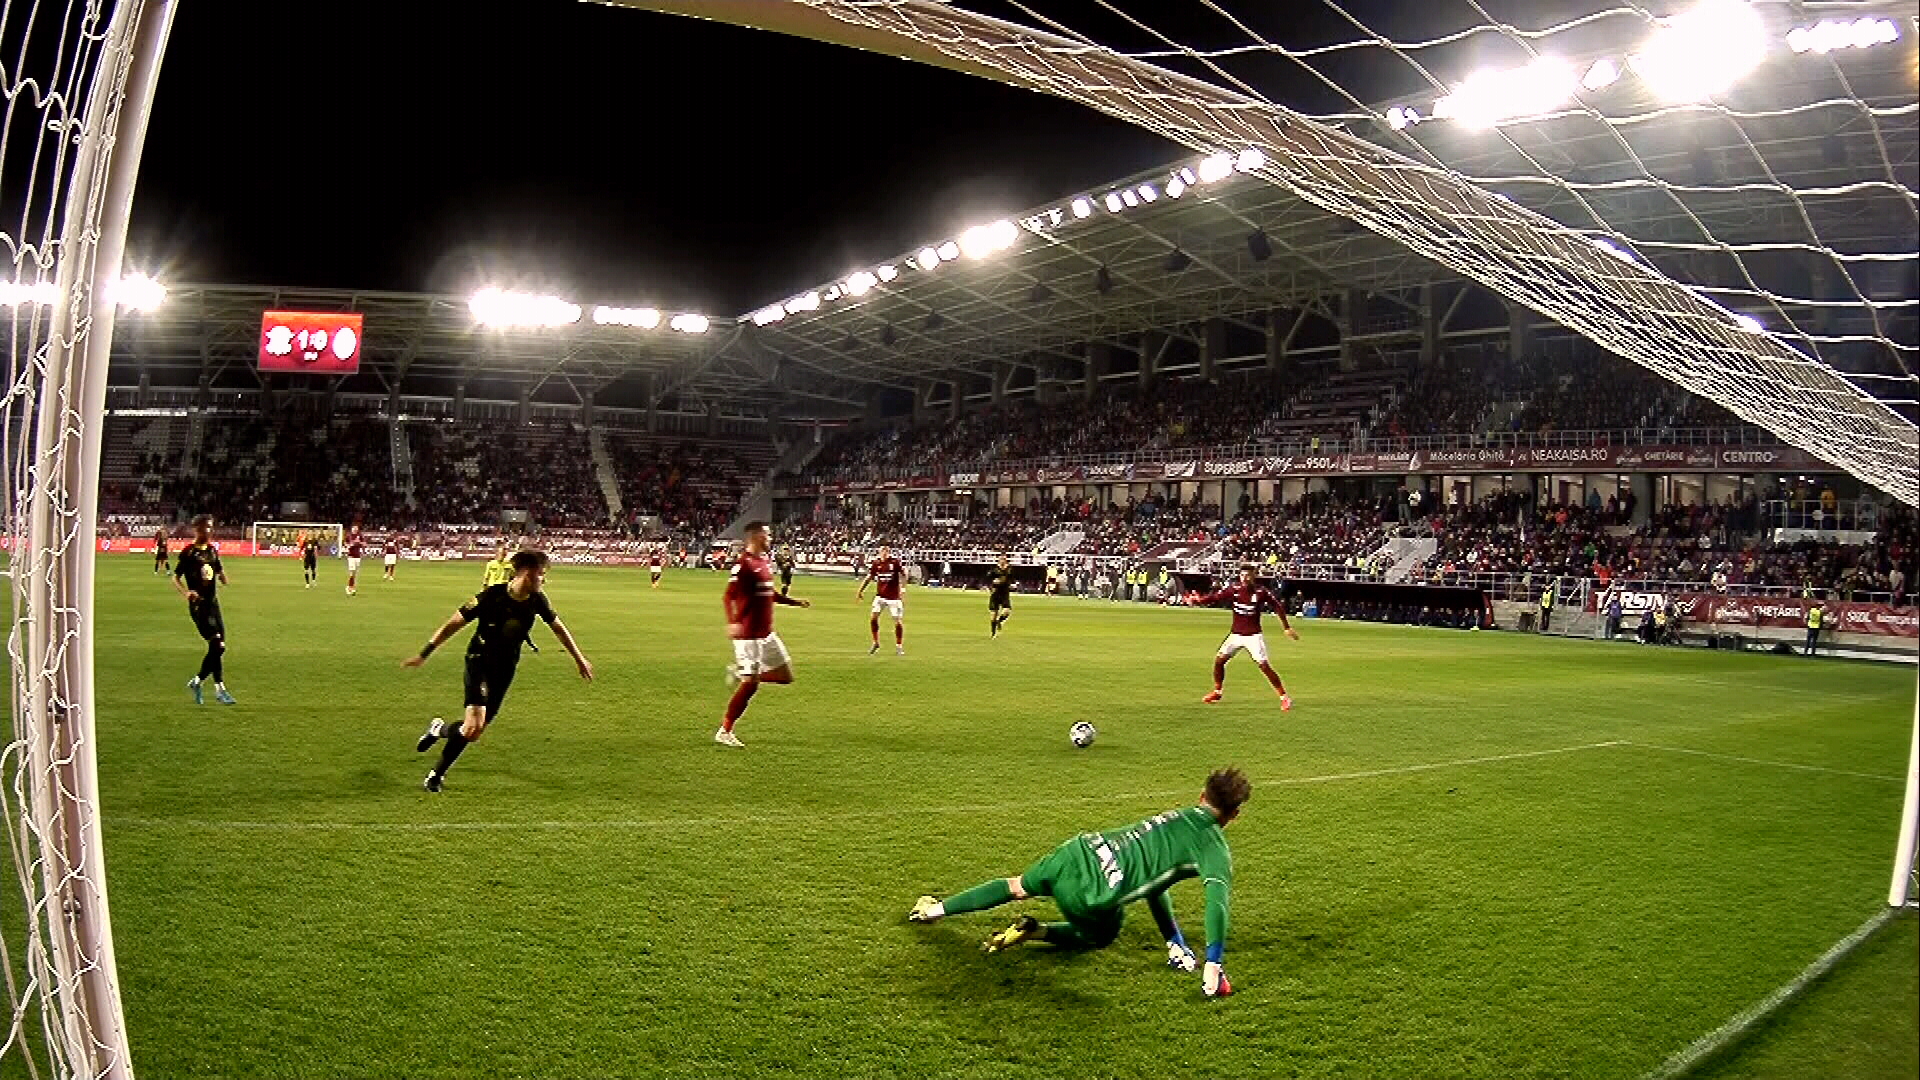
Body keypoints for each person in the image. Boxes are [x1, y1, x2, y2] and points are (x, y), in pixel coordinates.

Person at [908, 767, 1249, 999]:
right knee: (1102, 936)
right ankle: (1037, 931)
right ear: (1235, 815)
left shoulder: (1177, 815)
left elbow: (1156, 881)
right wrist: (1213, 963)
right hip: (1094, 894)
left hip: (1078, 850)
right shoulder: (1214, 850)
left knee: (1016, 886)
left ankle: (933, 911)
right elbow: (1216, 903)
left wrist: (1173, 939)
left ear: (1202, 795)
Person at [408, 550, 593, 792]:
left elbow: (559, 629)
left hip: (505, 670)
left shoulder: (538, 600)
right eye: (541, 574)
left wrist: (579, 660)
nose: (544, 580)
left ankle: (438, 729)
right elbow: (452, 624)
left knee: (472, 732)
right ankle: (436, 775)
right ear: (527, 573)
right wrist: (424, 653)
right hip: (479, 662)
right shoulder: (491, 597)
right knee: (474, 724)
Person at [718, 521, 811, 748]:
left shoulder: (765, 562)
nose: (771, 538)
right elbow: (728, 596)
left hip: (767, 634)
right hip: (748, 635)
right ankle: (725, 730)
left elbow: (770, 594)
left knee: (785, 676)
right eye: (768, 534)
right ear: (757, 536)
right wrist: (732, 623)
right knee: (751, 686)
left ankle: (744, 674)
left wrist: (794, 602)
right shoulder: (743, 565)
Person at [1188, 563, 1298, 709]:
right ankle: (1217, 691)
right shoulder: (1234, 589)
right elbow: (1215, 597)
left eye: (1248, 575)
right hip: (1236, 635)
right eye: (1242, 575)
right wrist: (1199, 600)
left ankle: (1284, 697)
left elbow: (1277, 606)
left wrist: (1286, 627)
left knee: (1264, 666)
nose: (1244, 578)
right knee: (1219, 661)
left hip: (1253, 636)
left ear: (1253, 576)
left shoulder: (1261, 592)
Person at [172, 515, 236, 705]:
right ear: (197, 529)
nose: (209, 531)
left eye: (211, 527)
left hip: (213, 604)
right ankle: (216, 688)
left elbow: (218, 570)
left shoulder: (212, 551)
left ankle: (202, 684)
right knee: (217, 645)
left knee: (218, 647)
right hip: (199, 607)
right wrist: (185, 593)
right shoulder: (189, 553)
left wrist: (224, 578)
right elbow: (175, 577)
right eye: (206, 527)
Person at [857, 544, 907, 655]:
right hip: (880, 596)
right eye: (882, 551)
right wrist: (860, 590)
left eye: (886, 551)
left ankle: (899, 646)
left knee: (897, 622)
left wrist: (903, 589)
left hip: (894, 598)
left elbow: (904, 573)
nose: (884, 553)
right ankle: (875, 642)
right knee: (873, 618)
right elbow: (869, 577)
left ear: (888, 552)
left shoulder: (894, 562)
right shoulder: (876, 563)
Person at [987, 556, 1015, 638]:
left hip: (1005, 593)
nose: (1002, 561)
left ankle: (999, 621)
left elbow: (1012, 578)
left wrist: (1012, 584)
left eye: (1004, 559)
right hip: (995, 593)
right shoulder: (994, 569)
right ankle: (993, 633)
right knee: (993, 615)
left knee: (1007, 611)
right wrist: (993, 581)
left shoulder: (1010, 569)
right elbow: (988, 577)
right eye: (1001, 559)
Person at [344, 531, 364, 596]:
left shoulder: (359, 536)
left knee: (355, 573)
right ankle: (348, 587)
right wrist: (350, 545)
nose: (355, 529)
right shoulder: (349, 536)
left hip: (358, 557)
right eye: (354, 528)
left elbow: (364, 544)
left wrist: (359, 542)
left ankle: (352, 587)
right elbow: (345, 544)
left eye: (356, 528)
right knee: (352, 573)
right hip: (351, 556)